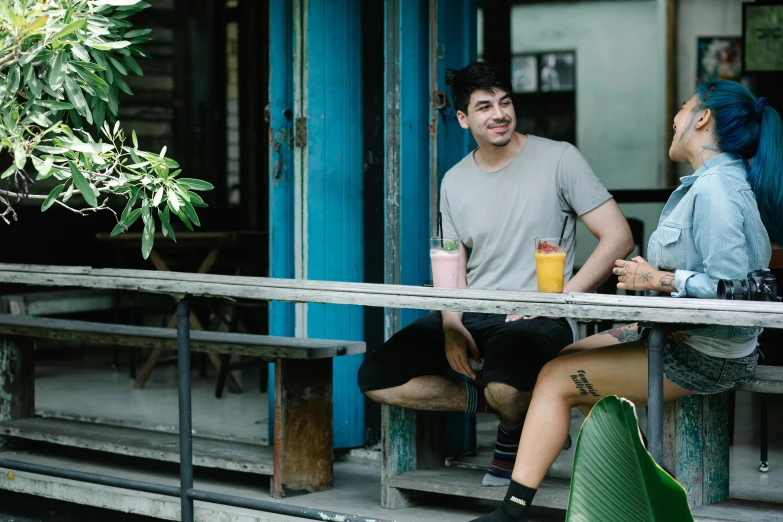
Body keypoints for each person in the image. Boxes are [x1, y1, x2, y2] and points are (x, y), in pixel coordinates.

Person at [470, 80, 783, 521]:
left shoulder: (717, 191)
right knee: (567, 356)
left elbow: (733, 292)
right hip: (679, 338)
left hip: (706, 354)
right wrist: (658, 281)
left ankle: (514, 510)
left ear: (703, 117)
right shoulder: (716, 183)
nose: (674, 119)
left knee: (557, 379)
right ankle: (622, 469)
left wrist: (659, 278)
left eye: (683, 108)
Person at [358, 61, 634, 487]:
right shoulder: (454, 181)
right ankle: (516, 409)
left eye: (505, 102)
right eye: (484, 106)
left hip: (539, 315)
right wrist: (451, 324)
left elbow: (618, 237)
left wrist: (559, 300)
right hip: (472, 314)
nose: (499, 113)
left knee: (505, 385)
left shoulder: (560, 158)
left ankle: (513, 423)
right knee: (376, 377)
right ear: (463, 118)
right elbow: (451, 262)